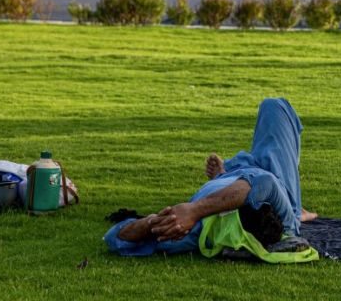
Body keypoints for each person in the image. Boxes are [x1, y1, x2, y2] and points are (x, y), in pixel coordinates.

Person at [104, 98, 318, 256]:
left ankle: (221, 176)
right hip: (276, 177)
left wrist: (152, 222)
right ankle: (296, 208)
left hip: (238, 175)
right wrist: (195, 210)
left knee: (273, 110)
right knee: (274, 107)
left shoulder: (196, 230)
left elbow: (115, 238)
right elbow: (264, 183)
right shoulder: (283, 219)